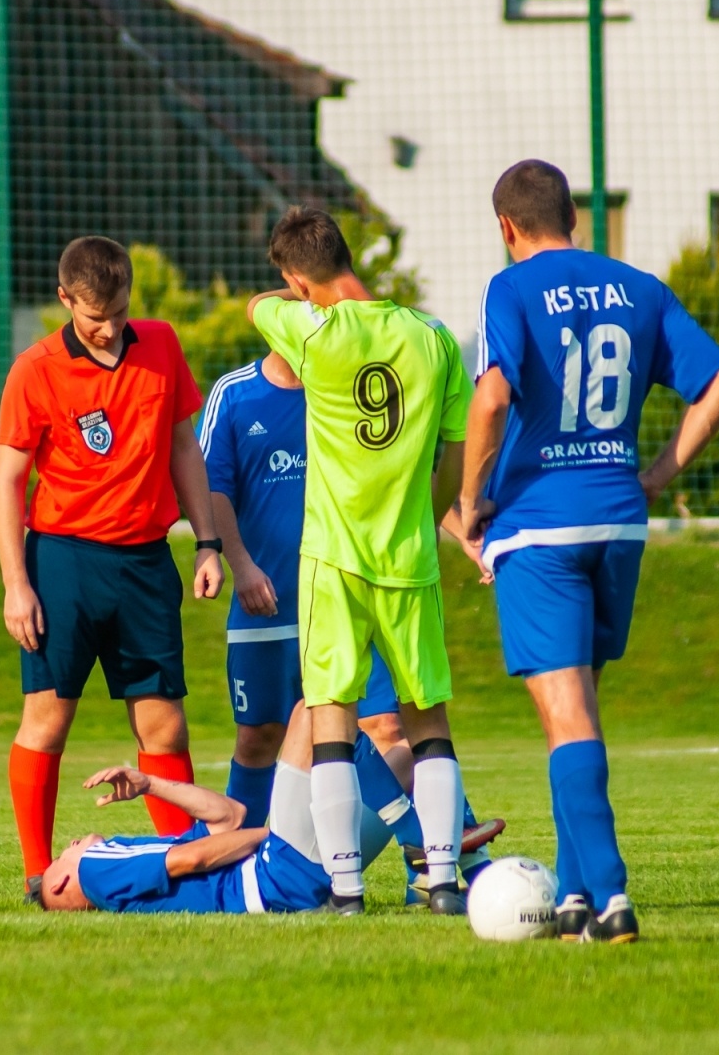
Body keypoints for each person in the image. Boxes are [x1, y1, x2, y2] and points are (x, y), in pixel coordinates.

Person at [457, 161, 719, 943]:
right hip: (617, 521)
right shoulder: (638, 287)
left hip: (540, 527)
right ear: (573, 218)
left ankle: (612, 896)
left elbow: (491, 396)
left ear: (506, 227)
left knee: (567, 715)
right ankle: (575, 894)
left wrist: (467, 499)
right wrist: (655, 475)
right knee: (577, 713)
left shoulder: (508, 289)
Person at [199, 349, 501, 900]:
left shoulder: (345, 387)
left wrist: (468, 539)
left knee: (388, 727)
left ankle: (444, 859)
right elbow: (211, 487)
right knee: (261, 737)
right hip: (271, 604)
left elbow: (398, 486)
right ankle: (231, 859)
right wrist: (237, 564)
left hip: (348, 603)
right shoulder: (236, 395)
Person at [246, 207, 473, 916]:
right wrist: (428, 519)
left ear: (295, 279)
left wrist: (297, 294)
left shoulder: (310, 332)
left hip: (333, 563)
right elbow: (458, 457)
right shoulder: (434, 339)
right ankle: (441, 882)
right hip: (408, 558)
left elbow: (258, 305)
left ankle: (346, 891)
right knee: (427, 721)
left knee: (333, 718)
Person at [0, 236, 226, 907]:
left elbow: (184, 445)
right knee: (47, 719)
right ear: (64, 300)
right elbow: (8, 483)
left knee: (164, 726)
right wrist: (17, 584)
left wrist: (205, 541)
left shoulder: (160, 345)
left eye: (120, 312)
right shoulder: (35, 369)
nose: (111, 328)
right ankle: (40, 874)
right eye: (96, 317)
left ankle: (188, 864)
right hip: (62, 562)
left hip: (146, 563)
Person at [38, 704, 396, 914]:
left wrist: (149, 784)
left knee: (402, 760)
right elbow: (190, 858)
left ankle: (438, 856)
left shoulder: (119, 883)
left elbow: (229, 816)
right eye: (60, 858)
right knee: (312, 708)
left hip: (298, 882)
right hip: (277, 874)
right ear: (60, 884)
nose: (69, 846)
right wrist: (271, 834)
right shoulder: (94, 869)